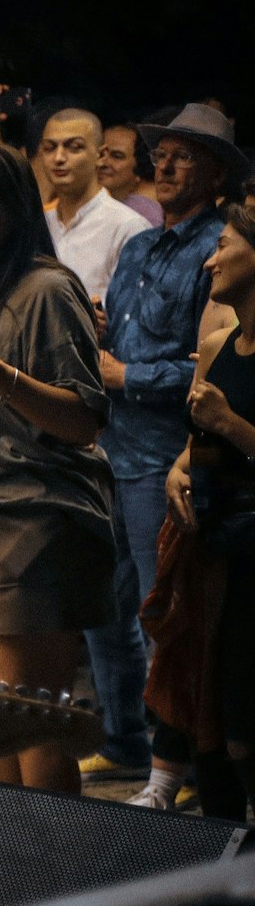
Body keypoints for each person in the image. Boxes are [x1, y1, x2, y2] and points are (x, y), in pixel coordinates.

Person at [0, 141, 113, 795]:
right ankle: (12, 870)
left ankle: (59, 877)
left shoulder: (45, 288)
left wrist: (2, 376)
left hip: (29, 517)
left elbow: (86, 419)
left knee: (33, 718)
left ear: (15, 209)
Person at [82, 104, 243, 803]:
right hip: (110, 452)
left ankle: (169, 769)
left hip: (162, 456)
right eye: (163, 153)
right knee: (108, 613)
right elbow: (119, 338)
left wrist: (127, 375)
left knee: (165, 621)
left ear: (215, 174)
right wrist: (100, 336)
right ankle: (122, 740)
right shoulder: (142, 246)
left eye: (185, 156)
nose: (166, 164)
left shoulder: (223, 247)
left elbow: (214, 363)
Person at [159, 203, 255, 819]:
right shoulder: (218, 343)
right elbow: (197, 444)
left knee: (248, 732)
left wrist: (230, 422)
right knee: (210, 727)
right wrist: (178, 469)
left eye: (224, 245)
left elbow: (223, 427)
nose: (210, 258)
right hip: (216, 554)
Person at [40, 110, 153, 305]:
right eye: (50, 148)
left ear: (100, 154)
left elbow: (134, 312)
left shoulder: (129, 227)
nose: (58, 157)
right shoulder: (37, 222)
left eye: (74, 147)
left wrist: (103, 321)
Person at [99, 124, 163, 225]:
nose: (103, 162)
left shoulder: (141, 215)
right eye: (101, 154)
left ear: (140, 164)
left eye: (117, 156)